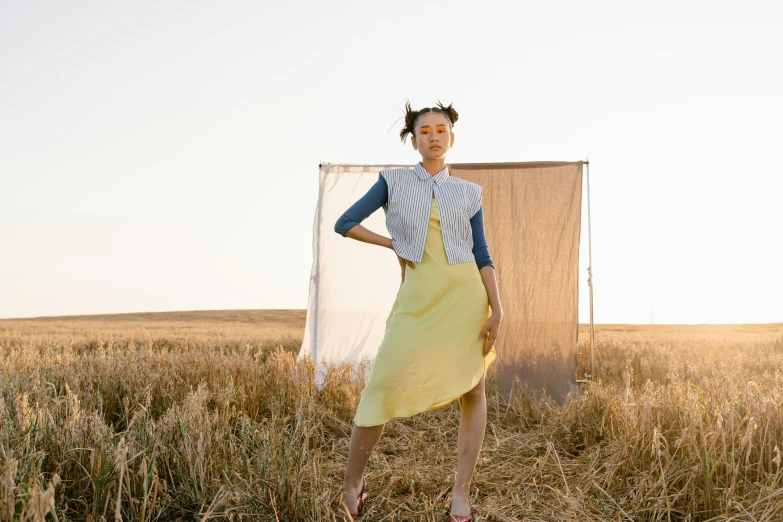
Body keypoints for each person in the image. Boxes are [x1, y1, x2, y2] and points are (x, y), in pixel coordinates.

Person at [334, 100, 503, 521]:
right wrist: (394, 244)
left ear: (452, 136)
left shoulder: (469, 193)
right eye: (424, 131)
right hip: (418, 300)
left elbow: (481, 252)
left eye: (440, 130)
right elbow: (346, 222)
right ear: (413, 140)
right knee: (382, 385)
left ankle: (461, 493)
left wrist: (498, 307)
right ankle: (352, 486)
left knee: (473, 389)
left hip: (466, 298)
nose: (433, 136)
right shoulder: (392, 182)